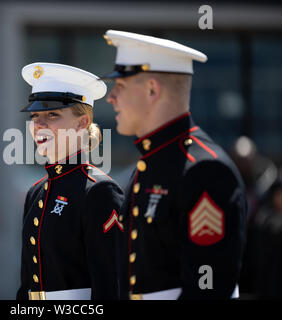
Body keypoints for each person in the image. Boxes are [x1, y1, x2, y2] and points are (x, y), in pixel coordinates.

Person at [101, 30, 247, 299]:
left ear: (152, 89)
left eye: (119, 86)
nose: (111, 98)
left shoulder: (205, 170)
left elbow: (208, 290)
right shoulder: (148, 165)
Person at [16, 63, 124, 300]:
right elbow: (27, 284)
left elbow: (111, 286)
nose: (39, 125)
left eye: (52, 114)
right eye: (35, 116)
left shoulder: (99, 190)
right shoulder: (36, 193)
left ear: (82, 123)